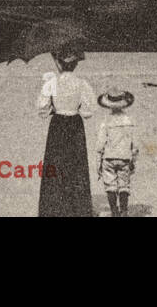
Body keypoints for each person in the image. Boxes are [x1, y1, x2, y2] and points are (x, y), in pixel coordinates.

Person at [37, 42, 95, 217]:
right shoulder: (82, 84)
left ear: (58, 63)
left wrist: (54, 108)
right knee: (76, 165)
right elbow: (88, 111)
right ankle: (77, 208)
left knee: (55, 163)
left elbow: (42, 109)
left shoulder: (51, 83)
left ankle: (53, 208)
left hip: (58, 125)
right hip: (75, 125)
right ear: (75, 64)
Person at [96, 88, 137, 217]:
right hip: (125, 157)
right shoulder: (130, 121)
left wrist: (98, 162)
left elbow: (100, 144)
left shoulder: (106, 122)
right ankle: (124, 211)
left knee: (110, 185)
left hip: (108, 158)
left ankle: (114, 212)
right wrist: (133, 160)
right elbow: (134, 144)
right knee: (124, 184)